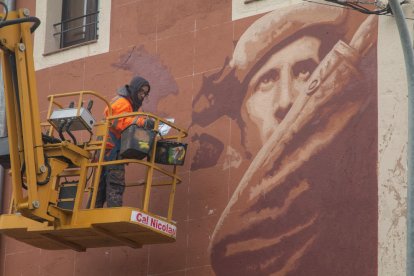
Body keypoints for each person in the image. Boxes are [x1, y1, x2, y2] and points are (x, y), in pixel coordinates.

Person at [191, 4, 378, 275]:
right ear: (242, 127)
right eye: (266, 80)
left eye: (304, 72)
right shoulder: (235, 247)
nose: (286, 100)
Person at [95, 75, 153, 208]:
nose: (143, 96)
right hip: (111, 150)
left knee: (100, 188)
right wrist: (141, 121)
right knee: (115, 184)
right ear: (134, 89)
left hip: (107, 150)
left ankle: (93, 210)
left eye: (145, 93)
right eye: (141, 92)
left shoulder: (129, 104)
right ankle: (111, 216)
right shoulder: (123, 102)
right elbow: (118, 121)